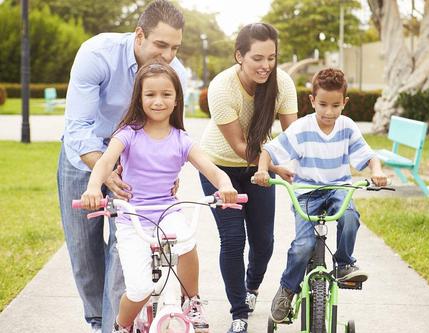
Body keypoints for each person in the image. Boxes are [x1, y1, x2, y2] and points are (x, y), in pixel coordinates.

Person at [79, 59, 238, 333]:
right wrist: (94, 188)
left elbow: (212, 169)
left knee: (187, 241)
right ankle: (122, 324)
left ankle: (192, 300)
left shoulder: (181, 140)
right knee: (140, 288)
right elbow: (106, 163)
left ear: (177, 100)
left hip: (167, 211)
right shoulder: (128, 134)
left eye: (166, 94)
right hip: (132, 218)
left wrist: (225, 185)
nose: (158, 101)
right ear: (139, 99)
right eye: (150, 94)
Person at [57, 1, 189, 332]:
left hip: (135, 167)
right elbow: (77, 127)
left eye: (174, 47)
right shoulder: (97, 54)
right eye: (161, 45)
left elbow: (173, 132)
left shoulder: (176, 74)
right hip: (81, 158)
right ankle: (97, 319)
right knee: (83, 251)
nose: (168, 55)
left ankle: (113, 328)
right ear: (139, 35)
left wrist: (170, 174)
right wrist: (103, 166)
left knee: (126, 249)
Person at [253, 68, 388, 323]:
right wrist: (262, 171)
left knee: (350, 217)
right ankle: (287, 289)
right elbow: (270, 150)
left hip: (339, 188)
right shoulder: (302, 128)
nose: (328, 112)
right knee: (302, 246)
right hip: (306, 192)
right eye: (323, 104)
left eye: (336, 105)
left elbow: (369, 155)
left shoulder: (347, 127)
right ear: (312, 100)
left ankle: (345, 263)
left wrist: (377, 172)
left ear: (344, 103)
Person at [198, 23, 298, 333]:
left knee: (263, 242)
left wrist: (291, 164)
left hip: (260, 168)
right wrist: (273, 166)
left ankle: (251, 289)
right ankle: (238, 313)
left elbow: (292, 137)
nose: (266, 65)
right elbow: (240, 148)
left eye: (272, 57)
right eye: (257, 58)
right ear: (239, 56)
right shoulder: (222, 87)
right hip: (220, 169)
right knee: (232, 239)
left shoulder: (282, 83)